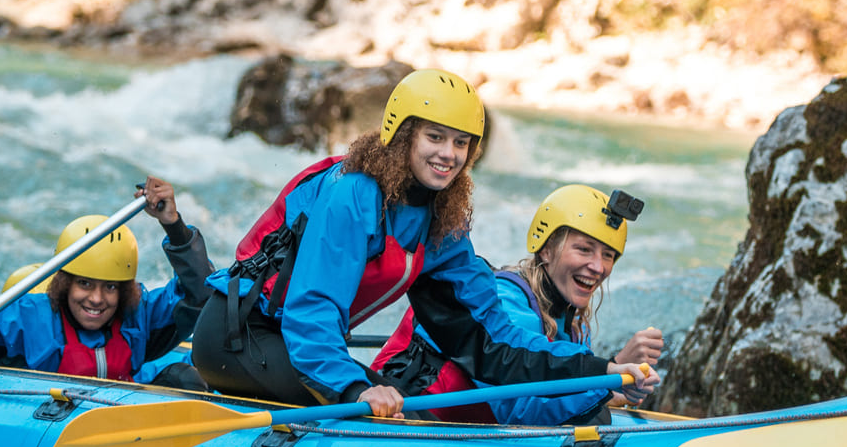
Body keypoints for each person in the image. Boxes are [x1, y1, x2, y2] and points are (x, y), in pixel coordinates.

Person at [192, 68, 659, 415]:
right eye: (435, 137)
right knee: (375, 413)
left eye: (461, 143)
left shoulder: (443, 224)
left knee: (399, 412)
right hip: (241, 336)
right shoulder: (353, 192)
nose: (448, 155)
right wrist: (355, 389)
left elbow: (495, 341)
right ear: (402, 135)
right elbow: (312, 308)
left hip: (298, 347)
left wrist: (599, 370)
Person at [372, 184, 664, 425]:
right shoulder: (506, 301)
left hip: (461, 430)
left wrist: (620, 380)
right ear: (547, 249)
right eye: (584, 249)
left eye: (609, 255)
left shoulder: (569, 320)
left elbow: (557, 390)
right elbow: (519, 410)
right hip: (406, 415)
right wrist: (607, 377)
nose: (598, 266)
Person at [0, 178, 214, 389]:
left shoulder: (137, 314)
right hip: (44, 424)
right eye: (85, 284)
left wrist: (173, 225)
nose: (97, 299)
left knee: (185, 379)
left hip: (124, 416)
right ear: (64, 283)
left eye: (111, 286)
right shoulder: (28, 315)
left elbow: (201, 294)